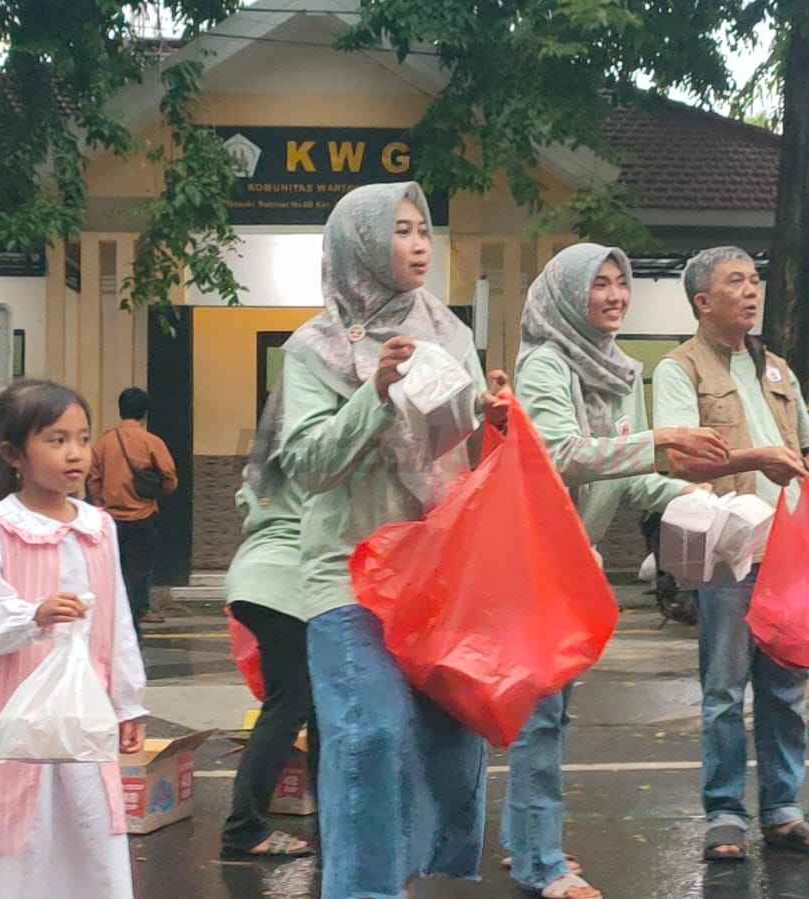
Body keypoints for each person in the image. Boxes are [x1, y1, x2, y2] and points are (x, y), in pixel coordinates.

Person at [275, 181, 509, 899]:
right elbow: (308, 462)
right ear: (360, 246)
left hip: (435, 575)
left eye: (421, 230)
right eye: (399, 231)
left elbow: (465, 448)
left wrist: (492, 411)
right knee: (367, 735)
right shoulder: (312, 349)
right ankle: (362, 889)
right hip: (345, 574)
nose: (417, 244)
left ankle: (396, 873)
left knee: (444, 741)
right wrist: (372, 394)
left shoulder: (452, 334)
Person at [506, 243, 728, 898]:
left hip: (572, 560)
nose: (613, 295)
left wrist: (694, 497)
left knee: (548, 713)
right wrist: (659, 442)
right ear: (567, 298)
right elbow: (561, 454)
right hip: (526, 556)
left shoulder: (617, 371)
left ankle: (529, 838)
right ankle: (540, 859)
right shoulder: (545, 363)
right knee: (540, 715)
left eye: (619, 283)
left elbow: (629, 476)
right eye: (597, 285)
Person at [649, 245, 809, 862]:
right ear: (703, 301)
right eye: (736, 281)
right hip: (728, 550)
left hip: (788, 548)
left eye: (755, 278)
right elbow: (679, 457)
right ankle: (725, 814)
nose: (752, 290)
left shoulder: (777, 369)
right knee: (725, 688)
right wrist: (753, 459)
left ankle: (785, 811)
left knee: (788, 685)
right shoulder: (679, 369)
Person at [0, 379, 148, 899]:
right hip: (18, 719)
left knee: (87, 824)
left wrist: (127, 704)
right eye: (56, 440)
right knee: (17, 827)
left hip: (85, 714)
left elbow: (117, 622)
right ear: (13, 454)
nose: (75, 453)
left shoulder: (100, 527)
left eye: (81, 438)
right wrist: (32, 614)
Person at [220, 393, 317, 859]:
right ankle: (244, 827)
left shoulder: (266, 461)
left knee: (306, 703)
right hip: (286, 582)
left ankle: (325, 815)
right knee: (292, 704)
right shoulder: (313, 453)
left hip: (257, 578)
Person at [88, 387, 179, 631]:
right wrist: (160, 492)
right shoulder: (151, 441)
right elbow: (169, 475)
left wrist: (100, 501)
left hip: (110, 517)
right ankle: (138, 610)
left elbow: (93, 477)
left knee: (114, 566)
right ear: (145, 412)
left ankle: (113, 611)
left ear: (120, 410)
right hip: (143, 514)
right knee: (140, 567)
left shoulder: (105, 442)